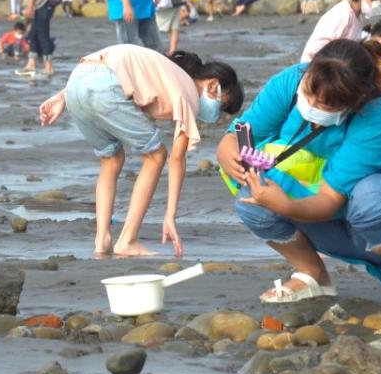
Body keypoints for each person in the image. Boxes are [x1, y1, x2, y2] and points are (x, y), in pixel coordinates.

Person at [216, 39, 381, 310]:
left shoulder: (380, 115)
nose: (312, 105)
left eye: (325, 104)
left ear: (355, 101)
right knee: (250, 200)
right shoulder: (291, 81)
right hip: (333, 215)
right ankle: (312, 274)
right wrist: (229, 154)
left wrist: (286, 205)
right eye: (309, 93)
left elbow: (329, 199)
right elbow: (237, 133)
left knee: (371, 195)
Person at [39, 45, 243, 257]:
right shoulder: (189, 91)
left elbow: (106, 67)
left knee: (111, 159)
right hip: (104, 87)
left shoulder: (164, 70)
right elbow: (177, 159)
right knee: (156, 156)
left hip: (76, 82)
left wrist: (63, 96)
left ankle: (102, 241)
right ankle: (127, 240)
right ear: (213, 86)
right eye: (220, 108)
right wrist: (170, 216)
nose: (215, 116)